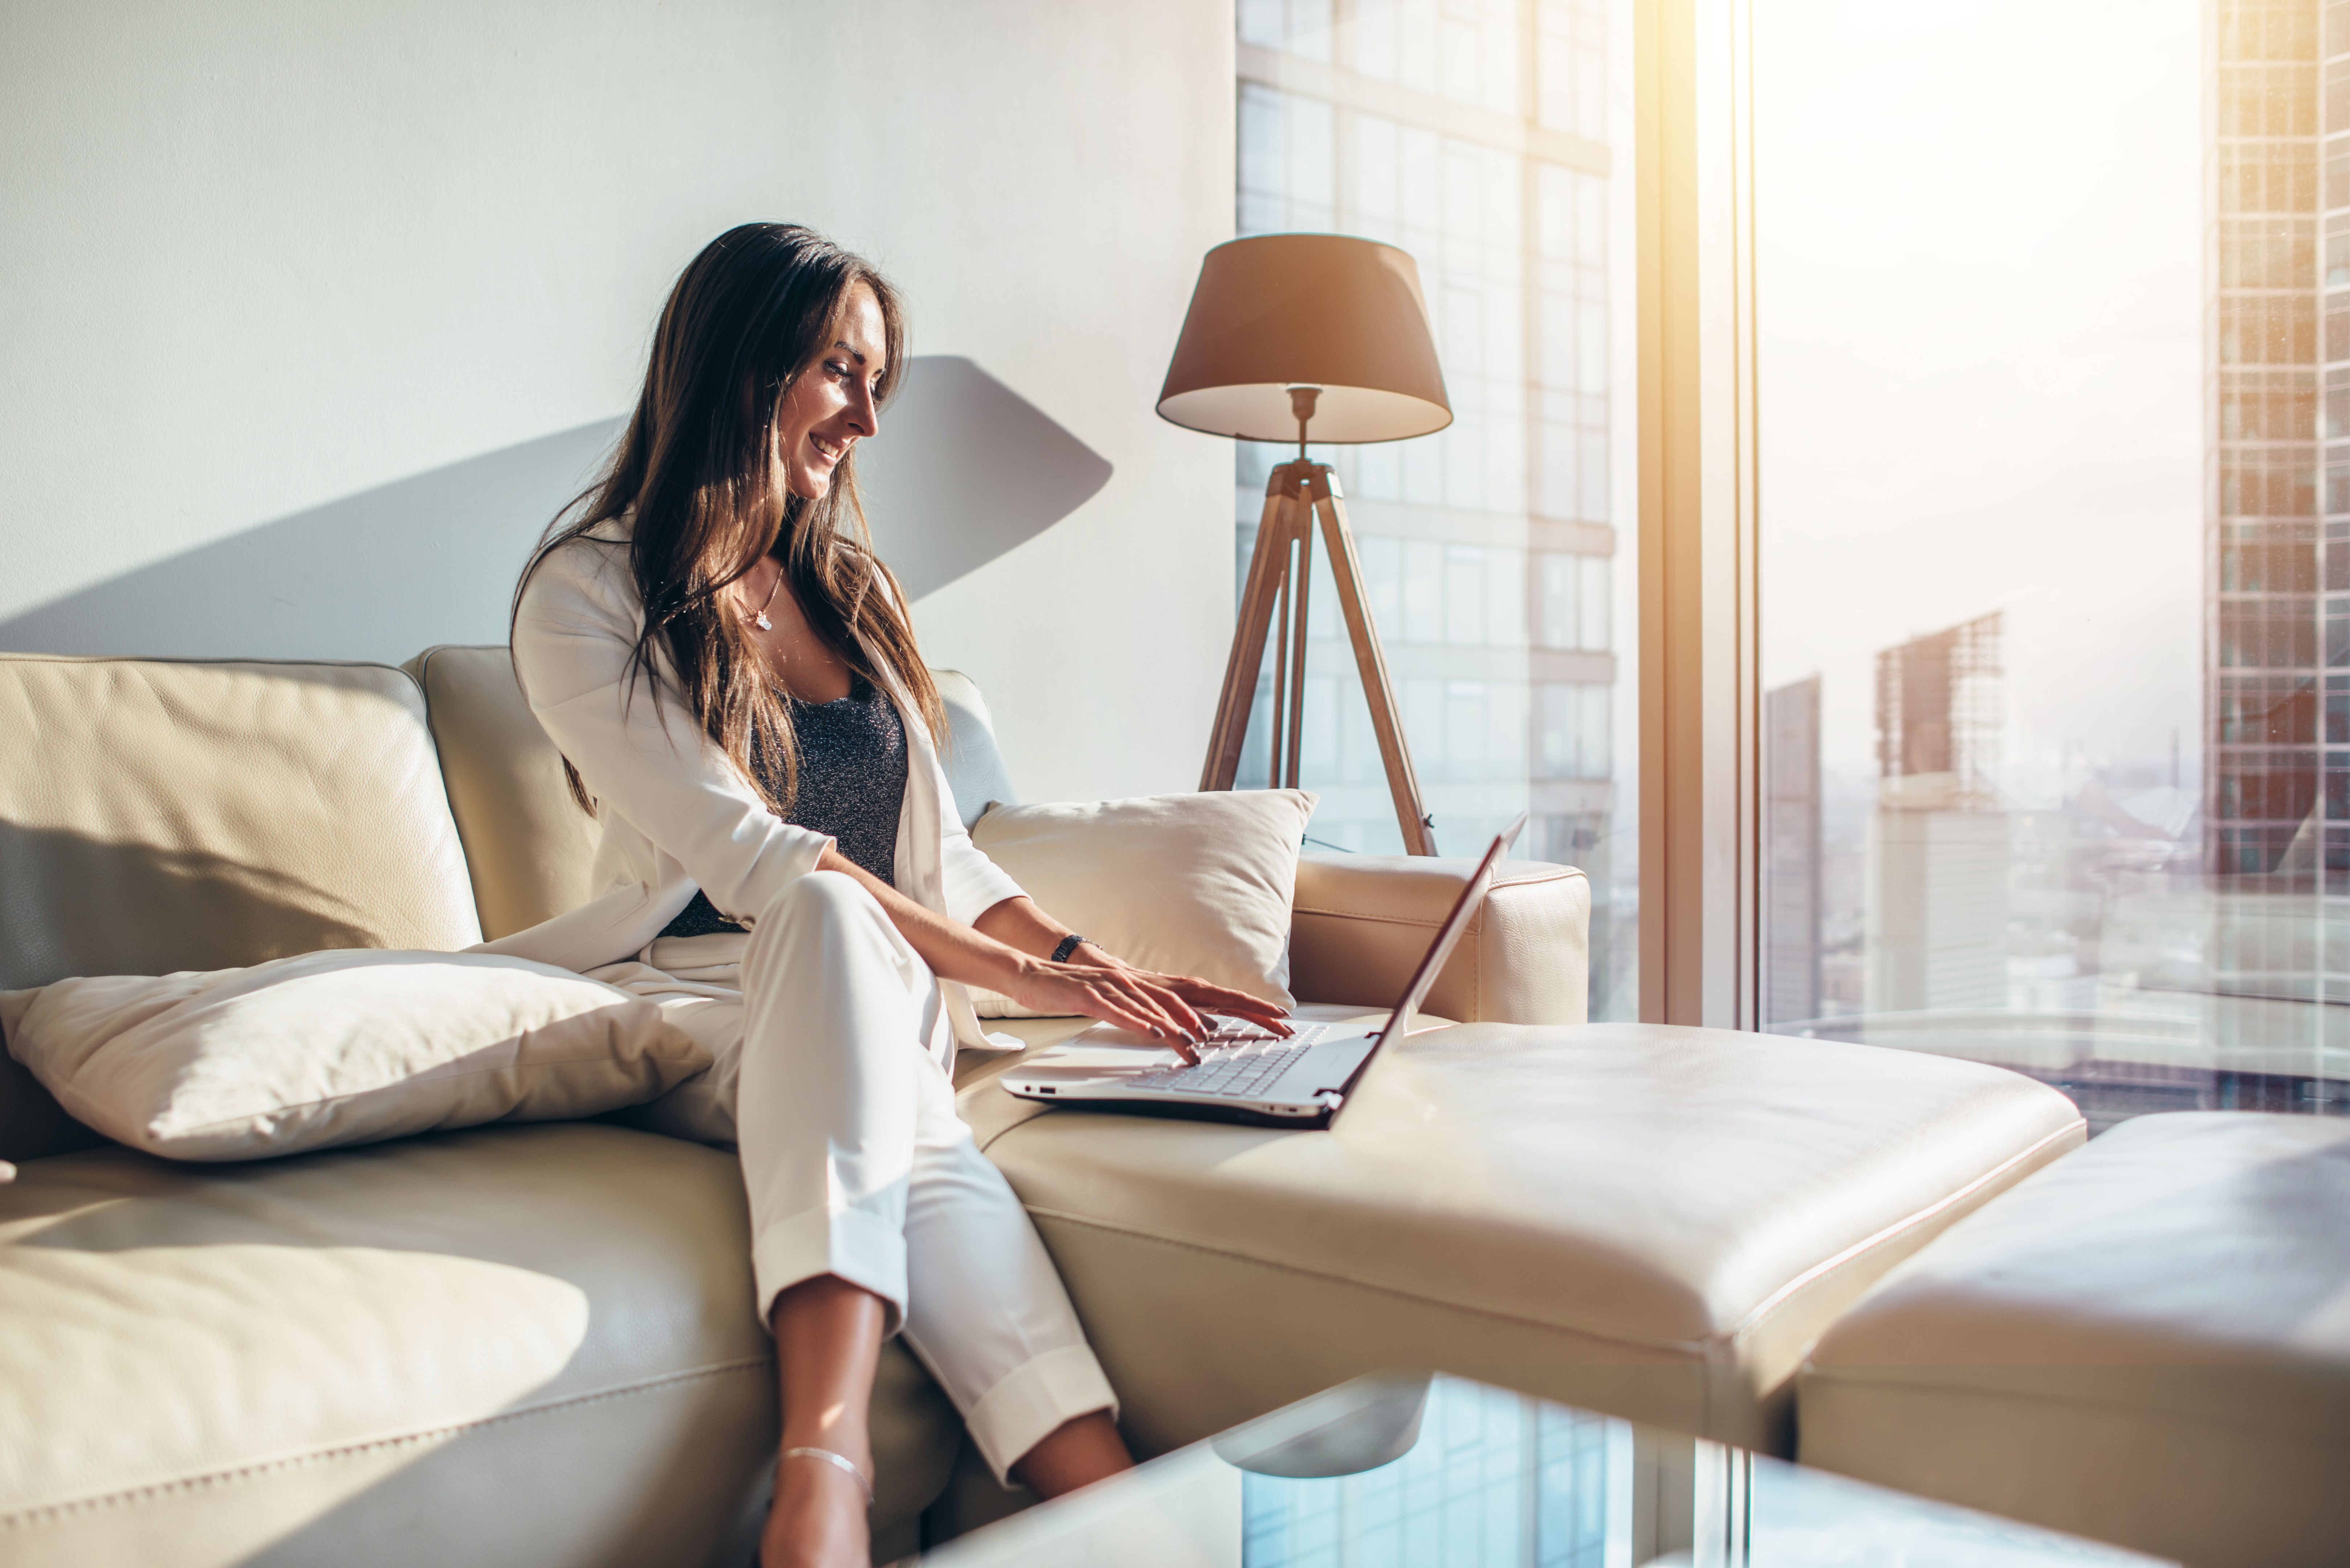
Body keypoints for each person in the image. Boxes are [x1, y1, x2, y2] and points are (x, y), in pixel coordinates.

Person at [485, 222, 1291, 1568]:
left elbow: (945, 864)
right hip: (696, 1003)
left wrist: (1094, 964)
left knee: (887, 1055)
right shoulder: (584, 595)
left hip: (872, 1006)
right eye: (841, 373)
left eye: (874, 385)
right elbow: (761, 861)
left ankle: (1109, 1515)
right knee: (825, 924)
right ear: (746, 364)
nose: (865, 417)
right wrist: (1035, 987)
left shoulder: (844, 587)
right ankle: (846, 1469)